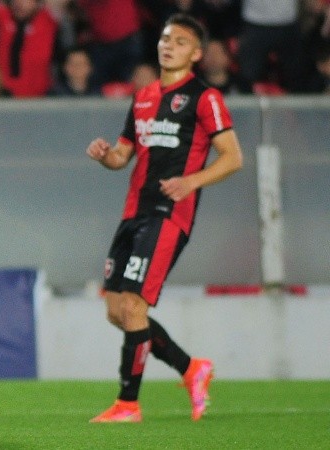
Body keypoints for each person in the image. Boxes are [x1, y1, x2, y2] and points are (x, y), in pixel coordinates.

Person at [85, 14, 243, 423]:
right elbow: (123, 155)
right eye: (165, 38)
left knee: (134, 305)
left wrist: (191, 182)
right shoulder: (142, 97)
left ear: (197, 53)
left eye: (180, 41)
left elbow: (232, 158)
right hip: (133, 212)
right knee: (117, 311)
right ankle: (192, 369)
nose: (169, 46)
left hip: (169, 214)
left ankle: (128, 404)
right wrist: (106, 156)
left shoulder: (205, 98)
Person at [0, 0, 59, 98]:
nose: (19, 3)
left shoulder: (47, 17)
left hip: (40, 95)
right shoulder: (4, 15)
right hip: (5, 95)